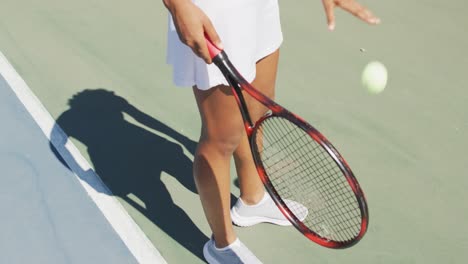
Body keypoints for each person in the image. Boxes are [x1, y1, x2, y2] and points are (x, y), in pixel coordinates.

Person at [162, 0, 380, 263]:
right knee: (221, 137)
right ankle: (222, 246)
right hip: (216, 9)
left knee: (258, 106)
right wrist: (178, 5)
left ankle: (252, 199)